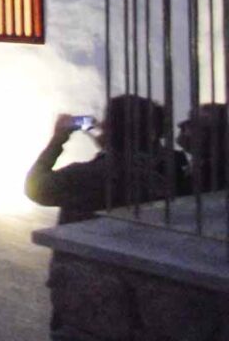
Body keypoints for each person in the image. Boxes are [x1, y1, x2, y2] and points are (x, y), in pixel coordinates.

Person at [25, 95, 171, 337]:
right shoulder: (169, 166)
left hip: (88, 292)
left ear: (112, 129)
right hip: (148, 298)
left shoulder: (91, 177)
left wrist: (58, 139)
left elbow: (35, 186)